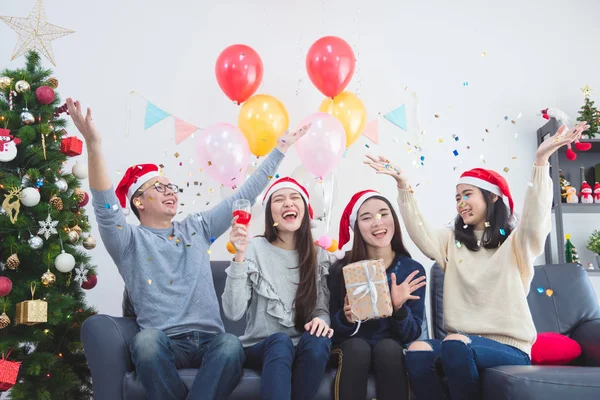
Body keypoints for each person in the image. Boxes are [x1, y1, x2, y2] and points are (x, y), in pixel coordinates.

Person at [67, 98, 308, 400]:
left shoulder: (197, 227)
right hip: (164, 342)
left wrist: (280, 150)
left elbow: (244, 193)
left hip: (212, 342)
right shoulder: (127, 241)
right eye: (159, 187)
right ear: (138, 201)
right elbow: (105, 205)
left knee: (231, 345)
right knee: (145, 343)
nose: (170, 192)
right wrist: (93, 144)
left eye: (171, 187)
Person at [363, 121, 590, 400]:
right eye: (457, 197)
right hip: (458, 345)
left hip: (509, 347)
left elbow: (536, 221)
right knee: (418, 351)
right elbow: (420, 232)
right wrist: (403, 186)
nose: (461, 203)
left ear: (492, 197)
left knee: (455, 344)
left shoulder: (516, 243)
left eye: (468, 194)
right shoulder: (452, 242)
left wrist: (541, 162)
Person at [222, 177, 333, 400]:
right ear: (270, 213)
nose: (288, 203)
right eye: (279, 199)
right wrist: (240, 255)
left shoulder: (319, 256)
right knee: (280, 341)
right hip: (260, 346)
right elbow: (233, 312)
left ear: (304, 209)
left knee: (319, 341)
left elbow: (321, 310)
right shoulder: (253, 249)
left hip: (302, 345)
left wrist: (322, 320)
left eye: (294, 198)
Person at [328, 190, 426, 400]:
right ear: (357, 227)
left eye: (383, 214)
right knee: (358, 348)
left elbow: (412, 335)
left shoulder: (412, 270)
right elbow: (331, 331)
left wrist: (399, 310)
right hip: (349, 347)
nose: (377, 223)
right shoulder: (341, 270)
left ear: (394, 219)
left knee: (389, 348)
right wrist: (346, 318)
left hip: (391, 347)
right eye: (366, 217)